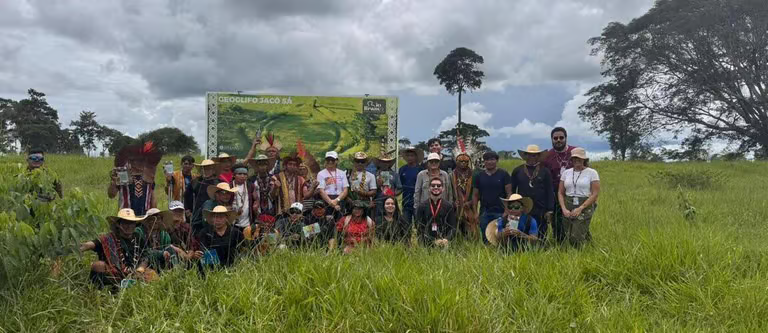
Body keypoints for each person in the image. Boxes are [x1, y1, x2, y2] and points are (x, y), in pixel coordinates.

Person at [80, 209, 151, 289]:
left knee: (151, 275)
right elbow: (93, 244)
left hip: (135, 273)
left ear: (135, 225)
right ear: (118, 224)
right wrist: (78, 247)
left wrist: (140, 269)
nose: (128, 226)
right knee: (98, 265)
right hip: (115, 274)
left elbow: (145, 256)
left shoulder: (138, 238)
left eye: (131, 223)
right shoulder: (109, 238)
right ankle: (103, 290)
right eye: (125, 222)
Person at [510, 145, 554, 242]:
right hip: (523, 208)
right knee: (522, 232)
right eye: (529, 155)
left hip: (541, 208)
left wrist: (550, 210)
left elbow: (549, 191)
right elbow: (512, 191)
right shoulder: (517, 171)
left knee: (541, 233)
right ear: (525, 156)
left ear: (538, 156)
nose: (532, 157)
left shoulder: (545, 171)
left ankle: (540, 251)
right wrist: (511, 207)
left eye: (534, 155)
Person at [558, 148, 600, 247]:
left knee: (575, 237)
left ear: (584, 159)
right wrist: (564, 209)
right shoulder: (566, 173)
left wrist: (581, 208)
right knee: (569, 232)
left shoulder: (592, 173)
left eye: (579, 158)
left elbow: (595, 193)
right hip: (568, 203)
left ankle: (580, 252)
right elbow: (560, 192)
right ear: (571, 159)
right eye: (574, 158)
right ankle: (591, 247)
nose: (577, 160)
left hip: (585, 204)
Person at [542, 127, 576, 244]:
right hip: (555, 193)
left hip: (574, 192)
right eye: (555, 138)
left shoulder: (575, 151)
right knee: (557, 221)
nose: (558, 140)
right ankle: (560, 243)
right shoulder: (547, 156)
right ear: (551, 139)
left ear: (566, 138)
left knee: (576, 219)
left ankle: (577, 242)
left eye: (561, 137)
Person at [108, 142, 162, 216]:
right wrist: (113, 182)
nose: (139, 163)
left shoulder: (149, 176)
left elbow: (152, 197)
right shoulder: (122, 174)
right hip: (126, 218)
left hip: (145, 217)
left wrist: (154, 215)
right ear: (130, 161)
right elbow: (111, 195)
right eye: (136, 160)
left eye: (142, 160)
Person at [472, 151, 512, 243]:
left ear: (497, 160)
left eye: (492, 159)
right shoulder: (479, 176)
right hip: (484, 211)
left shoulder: (504, 174)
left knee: (501, 237)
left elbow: (509, 193)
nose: (489, 162)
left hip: (500, 211)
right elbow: (475, 195)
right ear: (484, 161)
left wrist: (507, 210)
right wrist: (475, 212)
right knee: (486, 237)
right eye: (487, 160)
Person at [415, 177, 457, 247]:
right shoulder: (421, 206)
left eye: (439, 185)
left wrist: (447, 239)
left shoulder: (448, 206)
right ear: (429, 188)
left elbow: (453, 227)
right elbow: (419, 228)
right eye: (433, 185)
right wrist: (433, 241)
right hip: (426, 244)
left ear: (443, 189)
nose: (436, 187)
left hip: (444, 243)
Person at [451, 142, 478, 237]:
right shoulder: (452, 175)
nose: (463, 163)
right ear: (456, 161)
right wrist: (454, 201)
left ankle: (471, 240)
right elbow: (450, 190)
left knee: (470, 225)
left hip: (469, 205)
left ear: (469, 162)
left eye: (466, 162)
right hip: (456, 205)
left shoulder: (473, 175)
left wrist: (471, 202)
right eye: (461, 161)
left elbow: (476, 192)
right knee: (457, 224)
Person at [185, 159, 220, 232]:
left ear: (213, 170)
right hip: (197, 213)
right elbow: (187, 196)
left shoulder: (218, 183)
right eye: (204, 169)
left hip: (214, 213)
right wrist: (188, 210)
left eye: (209, 169)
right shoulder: (196, 181)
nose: (206, 171)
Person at [316, 151, 349, 218]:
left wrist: (337, 200)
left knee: (340, 222)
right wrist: (330, 202)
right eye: (328, 160)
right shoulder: (321, 173)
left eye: (332, 160)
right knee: (327, 222)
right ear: (325, 160)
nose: (330, 162)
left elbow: (345, 190)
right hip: (326, 200)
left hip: (340, 199)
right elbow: (321, 191)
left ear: (337, 161)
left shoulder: (342, 173)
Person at [372, 149, 402, 219]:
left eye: (387, 162)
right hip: (378, 202)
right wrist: (377, 185)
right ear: (379, 163)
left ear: (389, 163)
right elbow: (370, 190)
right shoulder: (374, 175)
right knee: (378, 220)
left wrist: (392, 195)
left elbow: (400, 188)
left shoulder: (395, 175)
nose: (385, 163)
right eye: (382, 162)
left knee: (392, 220)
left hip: (391, 203)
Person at [398, 147, 424, 226]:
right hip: (406, 201)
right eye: (408, 156)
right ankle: (406, 238)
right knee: (406, 223)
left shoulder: (420, 169)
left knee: (419, 224)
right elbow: (400, 186)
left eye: (412, 155)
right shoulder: (402, 169)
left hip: (418, 201)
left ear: (416, 157)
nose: (410, 158)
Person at [230, 163, 257, 233]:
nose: (242, 176)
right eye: (239, 174)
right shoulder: (229, 186)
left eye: (245, 174)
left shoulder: (250, 185)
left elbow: (256, 199)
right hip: (233, 222)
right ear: (234, 175)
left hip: (247, 223)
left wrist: (256, 204)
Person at [248, 154, 277, 218]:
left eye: (264, 164)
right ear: (257, 166)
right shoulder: (252, 179)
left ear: (267, 166)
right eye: (260, 165)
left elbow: (274, 195)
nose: (262, 167)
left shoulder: (273, 178)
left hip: (271, 207)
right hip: (257, 209)